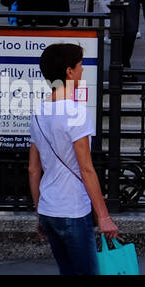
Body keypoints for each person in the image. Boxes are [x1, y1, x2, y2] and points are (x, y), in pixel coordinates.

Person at [27, 41, 118, 275]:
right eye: (80, 65)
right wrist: (104, 216)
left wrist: (40, 212)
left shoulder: (38, 111)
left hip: (49, 209)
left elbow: (33, 169)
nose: (82, 70)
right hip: (73, 210)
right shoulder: (76, 112)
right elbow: (86, 169)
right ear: (69, 71)